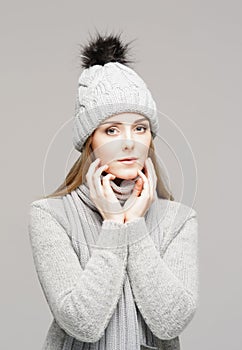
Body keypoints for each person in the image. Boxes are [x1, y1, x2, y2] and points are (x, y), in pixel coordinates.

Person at [28, 31, 199, 350]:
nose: (129, 141)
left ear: (150, 138)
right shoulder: (50, 216)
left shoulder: (179, 219)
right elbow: (83, 323)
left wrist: (133, 224)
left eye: (140, 128)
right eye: (111, 130)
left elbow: (170, 321)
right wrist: (112, 224)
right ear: (89, 140)